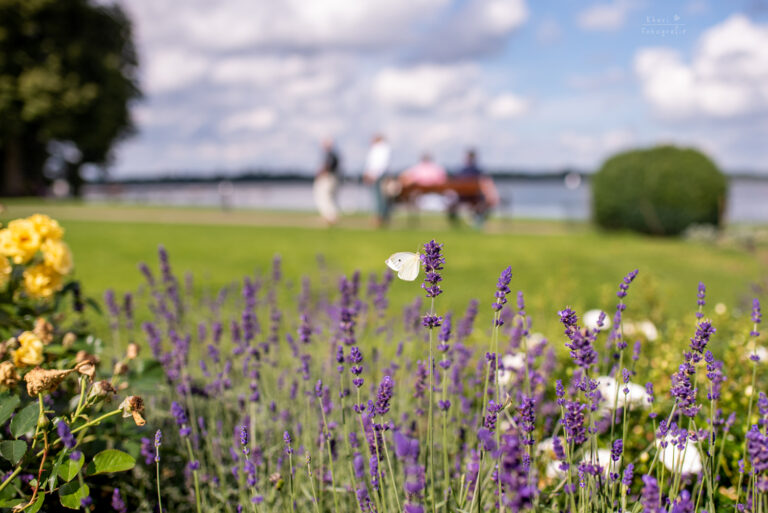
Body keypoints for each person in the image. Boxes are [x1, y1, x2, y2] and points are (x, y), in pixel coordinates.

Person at [363, 134, 392, 227]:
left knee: (380, 197)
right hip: (374, 175)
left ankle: (380, 217)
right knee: (377, 197)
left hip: (379, 176)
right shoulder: (376, 148)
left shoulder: (382, 148)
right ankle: (379, 216)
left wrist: (374, 174)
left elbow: (381, 164)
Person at [313, 138, 341, 225]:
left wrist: (320, 174)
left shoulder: (330, 155)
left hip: (328, 179)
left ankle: (330, 217)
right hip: (332, 178)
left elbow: (327, 167)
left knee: (326, 197)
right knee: (329, 198)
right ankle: (330, 217)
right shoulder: (332, 155)